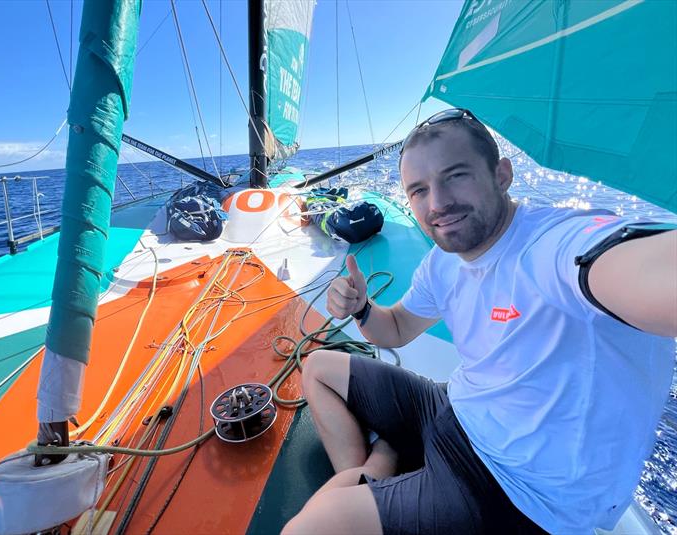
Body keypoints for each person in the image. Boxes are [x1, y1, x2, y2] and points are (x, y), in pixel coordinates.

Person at [281, 109, 677, 534]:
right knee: (319, 368)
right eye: (419, 190)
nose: (437, 203)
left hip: (515, 491)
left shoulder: (555, 247)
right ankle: (373, 472)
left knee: (307, 529)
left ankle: (373, 478)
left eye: (456, 175)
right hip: (457, 411)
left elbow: (640, 269)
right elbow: (394, 329)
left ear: (501, 174)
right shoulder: (443, 262)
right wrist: (362, 308)